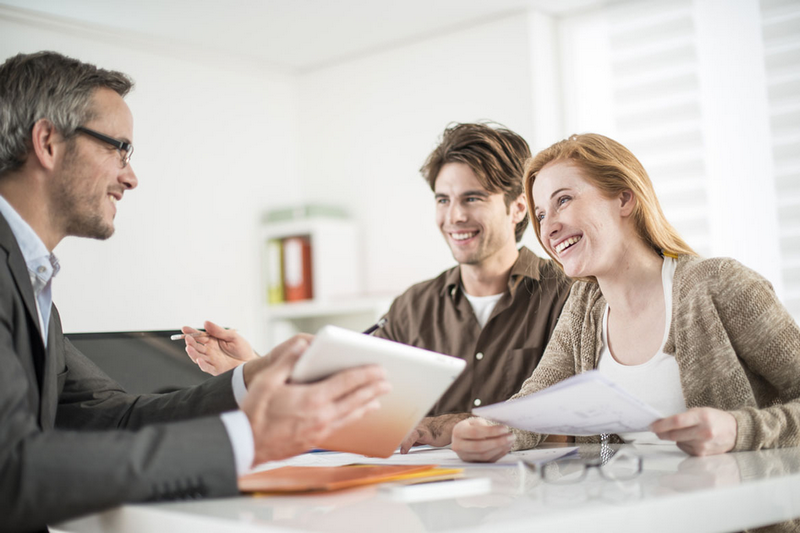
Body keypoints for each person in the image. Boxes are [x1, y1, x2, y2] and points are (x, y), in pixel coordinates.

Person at [0, 51, 390, 532]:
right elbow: (10, 471)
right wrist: (248, 439)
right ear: (47, 142)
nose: (130, 176)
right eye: (117, 147)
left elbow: (115, 418)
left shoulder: (33, 285)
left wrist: (252, 377)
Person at [182, 123, 572, 453]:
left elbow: (567, 419)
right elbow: (350, 389)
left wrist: (435, 428)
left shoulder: (566, 294)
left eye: (472, 198)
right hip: (432, 500)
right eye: (443, 199)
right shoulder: (414, 305)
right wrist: (255, 365)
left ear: (518, 207)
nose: (454, 216)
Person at [450, 133, 800, 462]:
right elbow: (533, 403)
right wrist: (487, 432)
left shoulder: (718, 284)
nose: (548, 227)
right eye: (541, 214)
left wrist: (738, 430)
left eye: (564, 200)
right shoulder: (584, 306)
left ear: (624, 198)